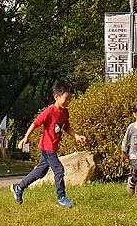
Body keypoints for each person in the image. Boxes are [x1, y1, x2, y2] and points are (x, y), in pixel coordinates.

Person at [12, 80, 86, 208]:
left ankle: (19, 187)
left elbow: (66, 127)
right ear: (56, 97)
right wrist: (25, 138)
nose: (68, 102)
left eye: (70, 99)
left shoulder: (65, 112)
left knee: (40, 172)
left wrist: (76, 136)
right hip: (47, 148)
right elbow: (35, 123)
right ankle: (61, 198)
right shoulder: (49, 111)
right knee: (59, 170)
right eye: (66, 99)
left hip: (52, 147)